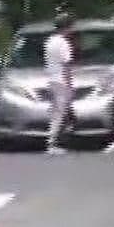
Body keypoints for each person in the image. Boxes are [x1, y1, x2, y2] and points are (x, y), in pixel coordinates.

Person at [45, 14, 76, 155]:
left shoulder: (49, 41)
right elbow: (67, 65)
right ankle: (53, 143)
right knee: (60, 113)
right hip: (61, 81)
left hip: (51, 79)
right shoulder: (63, 43)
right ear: (66, 27)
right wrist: (70, 84)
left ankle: (53, 141)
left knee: (56, 112)